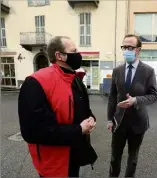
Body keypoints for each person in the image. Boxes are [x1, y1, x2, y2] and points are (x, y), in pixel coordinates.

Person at [18, 36, 98, 177]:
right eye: (74, 51)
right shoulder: (36, 82)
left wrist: (91, 118)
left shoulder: (76, 79)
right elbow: (32, 131)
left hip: (74, 155)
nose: (78, 54)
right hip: (54, 163)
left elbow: (84, 110)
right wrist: (79, 129)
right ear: (59, 55)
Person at [107, 34, 157, 177]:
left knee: (133, 158)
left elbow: (154, 95)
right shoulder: (117, 70)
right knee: (114, 157)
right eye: (124, 47)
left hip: (138, 122)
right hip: (119, 122)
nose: (126, 50)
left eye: (130, 47)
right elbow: (112, 96)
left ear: (138, 50)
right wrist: (109, 119)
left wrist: (136, 100)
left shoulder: (148, 71)